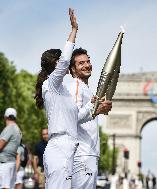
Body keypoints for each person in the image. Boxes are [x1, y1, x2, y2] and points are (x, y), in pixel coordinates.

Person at [34, 8, 96, 188]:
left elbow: (76, 116)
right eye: (62, 61)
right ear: (55, 64)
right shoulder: (50, 84)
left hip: (70, 149)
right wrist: (74, 31)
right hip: (59, 148)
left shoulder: (64, 92)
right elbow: (64, 61)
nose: (66, 65)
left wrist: (94, 106)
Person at [67, 48, 112, 188]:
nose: (87, 65)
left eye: (88, 61)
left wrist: (99, 109)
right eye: (81, 63)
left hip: (89, 154)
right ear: (73, 69)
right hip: (82, 154)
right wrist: (97, 110)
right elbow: (72, 117)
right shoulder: (76, 86)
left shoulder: (86, 89)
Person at [0, 108, 22, 189]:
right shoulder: (17, 129)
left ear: (5, 116)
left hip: (4, 163)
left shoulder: (10, 128)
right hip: (11, 162)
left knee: (4, 187)